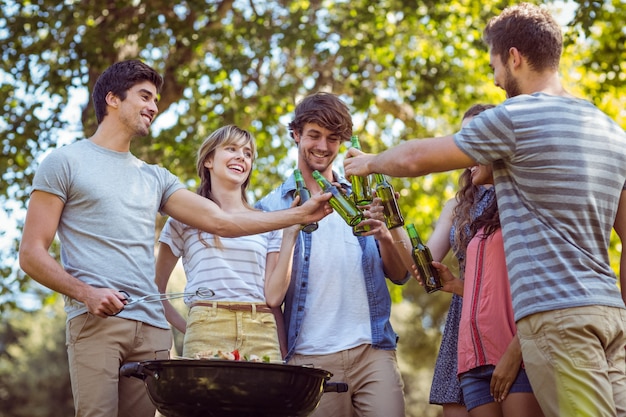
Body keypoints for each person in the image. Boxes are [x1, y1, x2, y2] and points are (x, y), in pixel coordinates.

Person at [344, 4, 626, 417]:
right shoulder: (610, 129)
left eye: (495, 65)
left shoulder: (515, 117)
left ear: (514, 56)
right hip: (610, 316)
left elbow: (416, 159)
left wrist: (370, 162)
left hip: (557, 317)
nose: (496, 81)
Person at [18, 60, 331, 417]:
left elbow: (220, 222)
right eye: (145, 96)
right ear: (113, 99)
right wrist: (86, 293)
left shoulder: (156, 178)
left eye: (156, 99)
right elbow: (31, 254)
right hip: (97, 320)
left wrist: (297, 216)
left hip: (152, 331)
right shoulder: (65, 162)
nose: (154, 106)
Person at [255, 92, 409, 417]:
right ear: (296, 135)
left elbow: (400, 274)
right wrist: (285, 357)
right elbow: (269, 296)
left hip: (372, 351)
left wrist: (384, 234)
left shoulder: (364, 198)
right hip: (309, 359)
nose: (323, 147)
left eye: (333, 138)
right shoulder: (272, 207)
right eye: (314, 135)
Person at [154, 125, 298, 362]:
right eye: (231, 149)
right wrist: (192, 328)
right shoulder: (183, 220)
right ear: (209, 159)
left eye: (248, 153)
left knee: (261, 401)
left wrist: (291, 233)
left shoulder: (267, 223)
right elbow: (157, 291)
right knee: (204, 400)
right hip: (206, 328)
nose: (242, 156)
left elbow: (273, 298)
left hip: (261, 331)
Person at [434, 161, 543, 417]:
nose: (466, 157)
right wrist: (457, 286)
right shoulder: (470, 213)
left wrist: (517, 351)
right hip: (473, 358)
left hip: (516, 350)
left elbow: (543, 286)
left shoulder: (530, 202)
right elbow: (491, 288)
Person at [428, 104, 496, 417]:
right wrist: (390, 230)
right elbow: (423, 264)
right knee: (454, 406)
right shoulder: (456, 205)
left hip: (500, 313)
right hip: (462, 314)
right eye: (463, 138)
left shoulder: (514, 192)